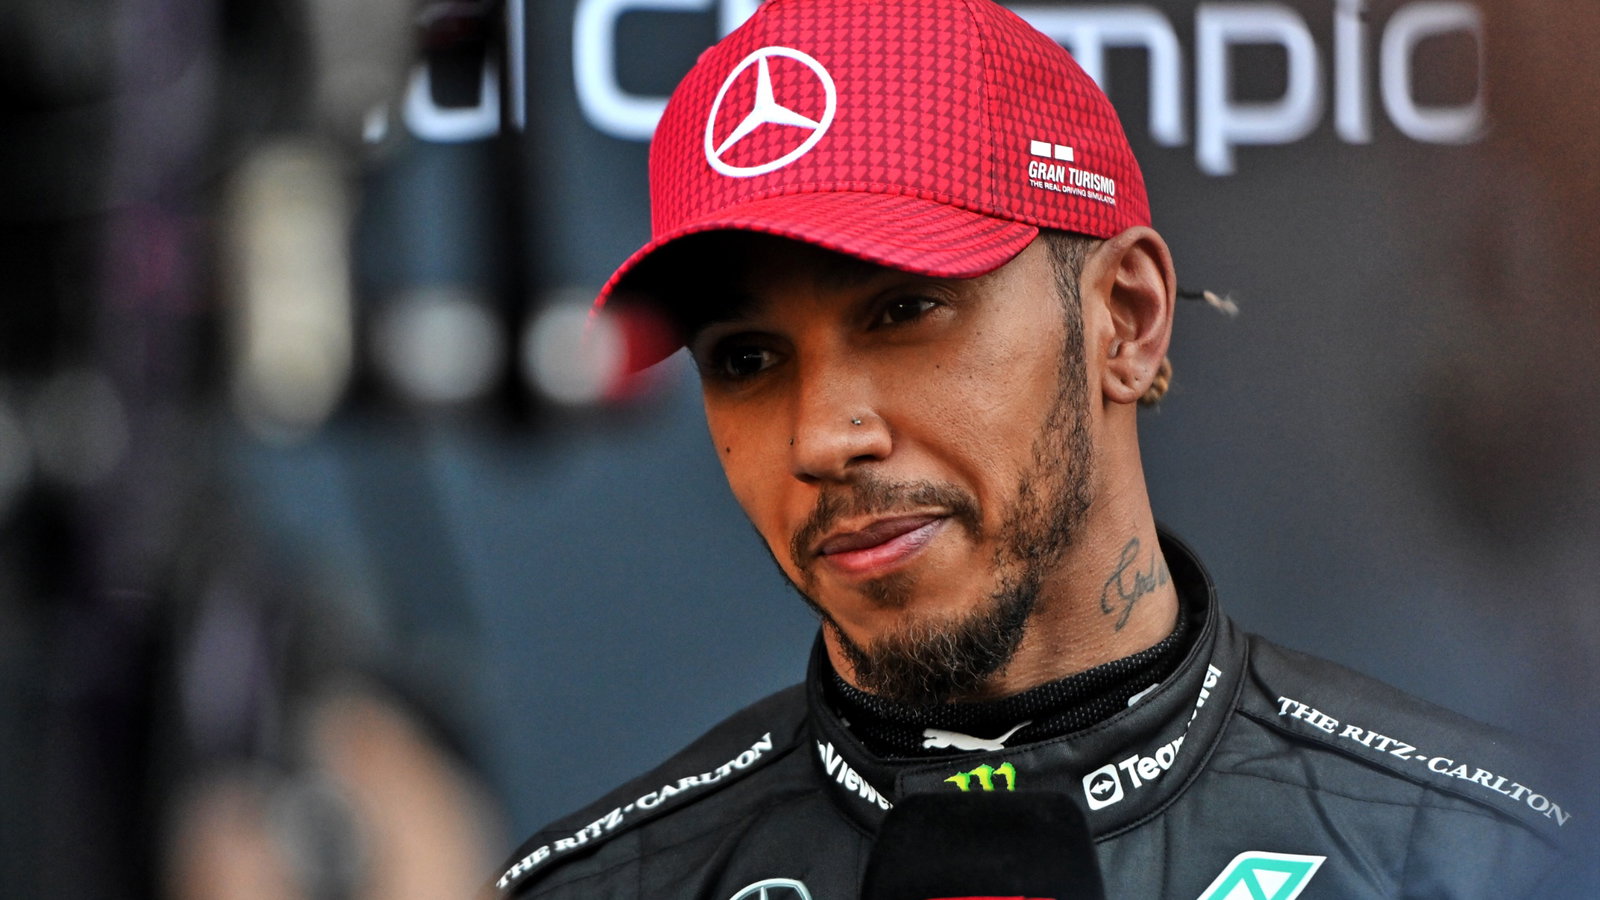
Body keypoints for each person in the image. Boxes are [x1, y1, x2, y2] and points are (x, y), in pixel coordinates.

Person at [492, 0, 1581, 896]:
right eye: (744, 360)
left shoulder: (1484, 859)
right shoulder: (606, 888)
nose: (821, 435)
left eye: (903, 309)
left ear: (1126, 317)